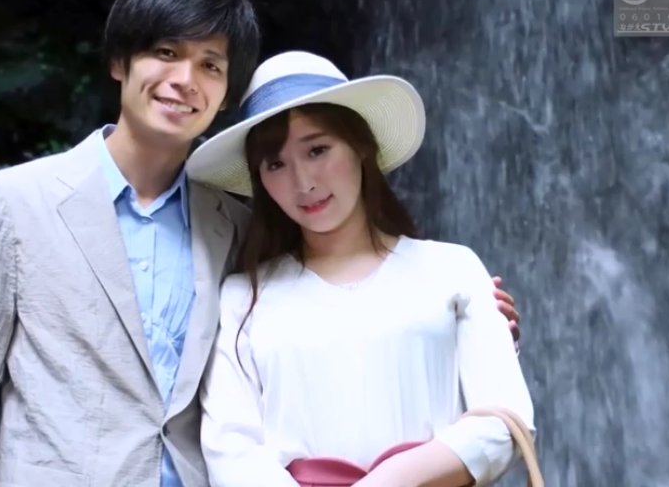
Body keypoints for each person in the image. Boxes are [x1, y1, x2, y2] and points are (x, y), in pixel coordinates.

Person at [0, 0, 522, 484]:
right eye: (165, 52)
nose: (185, 79)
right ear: (119, 62)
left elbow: (330, 313)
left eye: (210, 65)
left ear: (224, 96)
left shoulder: (234, 226)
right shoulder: (11, 205)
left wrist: (469, 327)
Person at [189, 51, 535, 487]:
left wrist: (391, 479)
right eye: (276, 163)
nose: (303, 182)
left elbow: (506, 421)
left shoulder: (453, 268)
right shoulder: (242, 298)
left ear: (362, 147)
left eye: (317, 150)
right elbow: (229, 451)